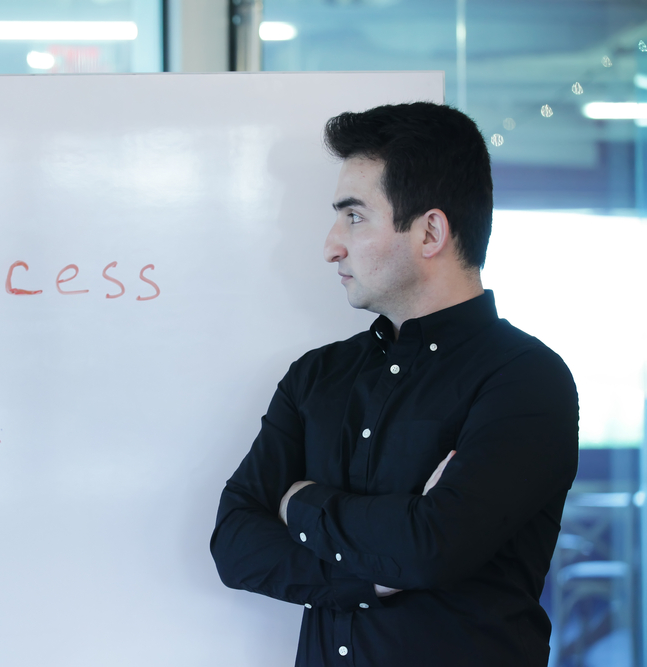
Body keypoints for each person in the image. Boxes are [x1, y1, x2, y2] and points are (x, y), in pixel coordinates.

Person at [209, 102, 578, 667]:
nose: (332, 245)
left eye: (354, 216)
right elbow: (234, 544)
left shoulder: (526, 379)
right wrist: (372, 572)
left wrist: (298, 502)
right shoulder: (317, 376)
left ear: (430, 231)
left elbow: (430, 549)